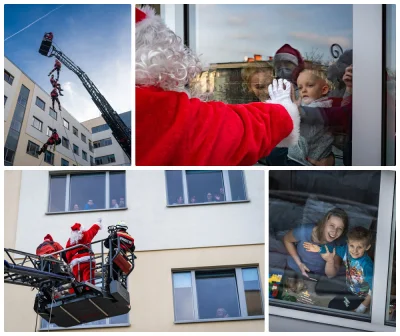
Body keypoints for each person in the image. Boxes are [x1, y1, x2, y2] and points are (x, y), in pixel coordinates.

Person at [135, 6, 300, 166]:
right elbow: (220, 130)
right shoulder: (154, 109)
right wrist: (283, 112)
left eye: (267, 85)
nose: (264, 91)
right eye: (258, 86)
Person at [303, 226, 373, 314]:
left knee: (336, 310)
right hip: (349, 288)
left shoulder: (367, 266)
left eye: (359, 247)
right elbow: (332, 249)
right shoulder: (345, 250)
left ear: (367, 247)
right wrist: (318, 249)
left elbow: (373, 288)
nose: (355, 250)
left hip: (360, 296)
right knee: (331, 304)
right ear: (347, 243)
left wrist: (362, 307)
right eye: (352, 246)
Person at [283, 208, 349, 292]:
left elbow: (331, 275)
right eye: (332, 225)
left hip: (316, 277)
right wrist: (299, 263)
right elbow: (286, 240)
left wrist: (330, 261)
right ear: (324, 223)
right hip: (295, 268)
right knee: (287, 293)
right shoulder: (304, 231)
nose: (334, 232)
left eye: (339, 229)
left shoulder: (338, 243)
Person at [65, 219, 102, 291]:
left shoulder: (70, 241)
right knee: (88, 275)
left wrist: (69, 262)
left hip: (75, 262)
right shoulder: (85, 234)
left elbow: (68, 253)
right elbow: (93, 230)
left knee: (77, 278)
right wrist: (98, 223)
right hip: (87, 258)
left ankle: (76, 291)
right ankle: (89, 289)